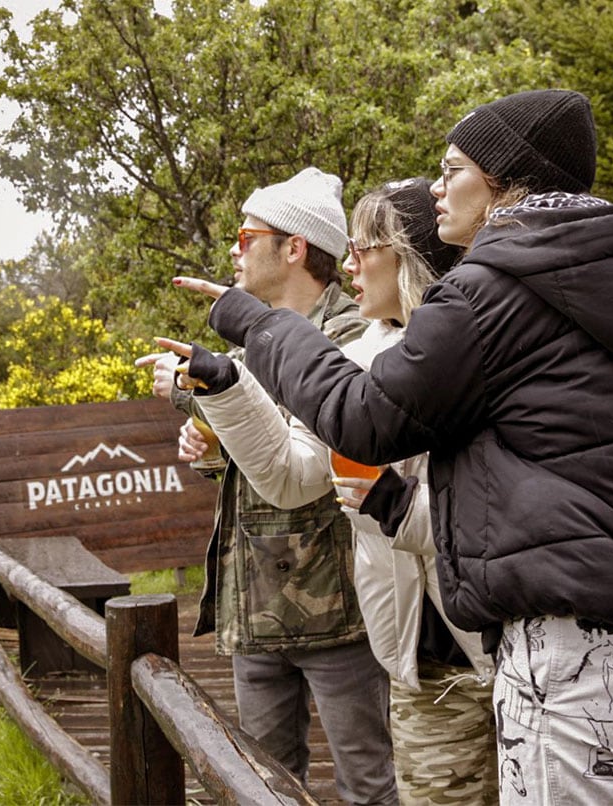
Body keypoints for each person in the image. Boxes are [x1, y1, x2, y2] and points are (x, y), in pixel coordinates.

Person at [171, 89, 613, 805]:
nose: (435, 189)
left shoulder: (496, 294)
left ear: (504, 179)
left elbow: (364, 416)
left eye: (452, 169)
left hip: (569, 654)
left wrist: (258, 324)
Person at [161, 177, 499, 803]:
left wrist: (392, 505)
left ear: (407, 256)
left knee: (370, 784)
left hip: (446, 633)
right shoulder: (371, 349)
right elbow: (292, 473)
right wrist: (224, 388)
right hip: (413, 646)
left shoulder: (465, 347)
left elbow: (499, 514)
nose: (350, 263)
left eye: (364, 245)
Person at [137, 167, 398, 805]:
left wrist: (208, 398)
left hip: (341, 609)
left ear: (294, 248)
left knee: (368, 784)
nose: (234, 248)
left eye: (245, 234)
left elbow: (303, 443)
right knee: (263, 787)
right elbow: (257, 442)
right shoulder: (255, 340)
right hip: (255, 605)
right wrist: (207, 440)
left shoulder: (355, 332)